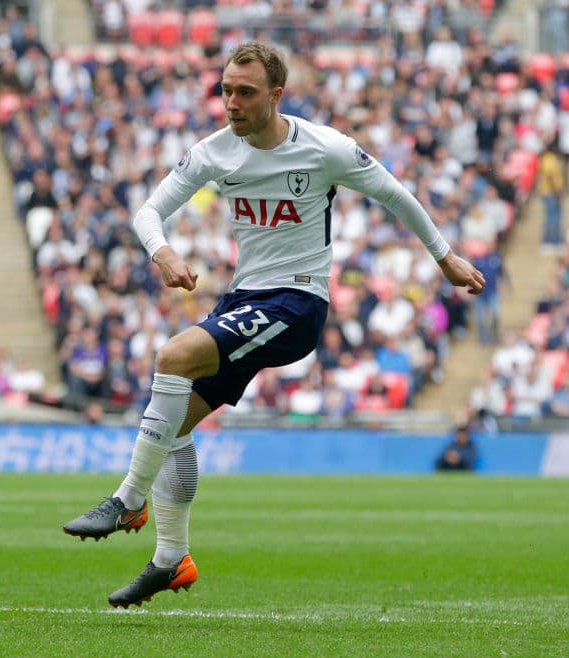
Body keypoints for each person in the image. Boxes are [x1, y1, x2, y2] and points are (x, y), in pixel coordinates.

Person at [61, 42, 486, 608]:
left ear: (276, 95)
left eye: (245, 92)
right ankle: (171, 560)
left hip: (298, 303)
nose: (231, 102)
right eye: (226, 90)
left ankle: (127, 499)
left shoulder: (324, 148)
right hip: (245, 299)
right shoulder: (214, 153)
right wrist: (161, 252)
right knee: (172, 427)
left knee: (172, 357)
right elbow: (148, 212)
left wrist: (444, 257)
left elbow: (393, 193)